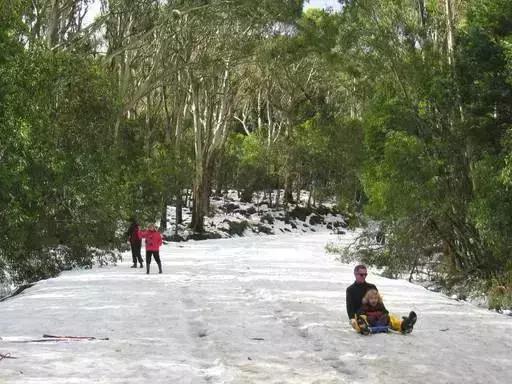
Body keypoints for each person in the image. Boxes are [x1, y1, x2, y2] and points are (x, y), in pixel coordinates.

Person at [346, 264, 416, 334]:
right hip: (361, 315)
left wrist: (384, 312)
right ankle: (364, 327)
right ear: (355, 274)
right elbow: (349, 307)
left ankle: (405, 325)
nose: (364, 276)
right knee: (360, 320)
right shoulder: (350, 290)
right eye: (361, 274)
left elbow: (379, 302)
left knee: (391, 318)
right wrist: (352, 319)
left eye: (365, 274)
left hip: (376, 314)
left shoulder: (371, 287)